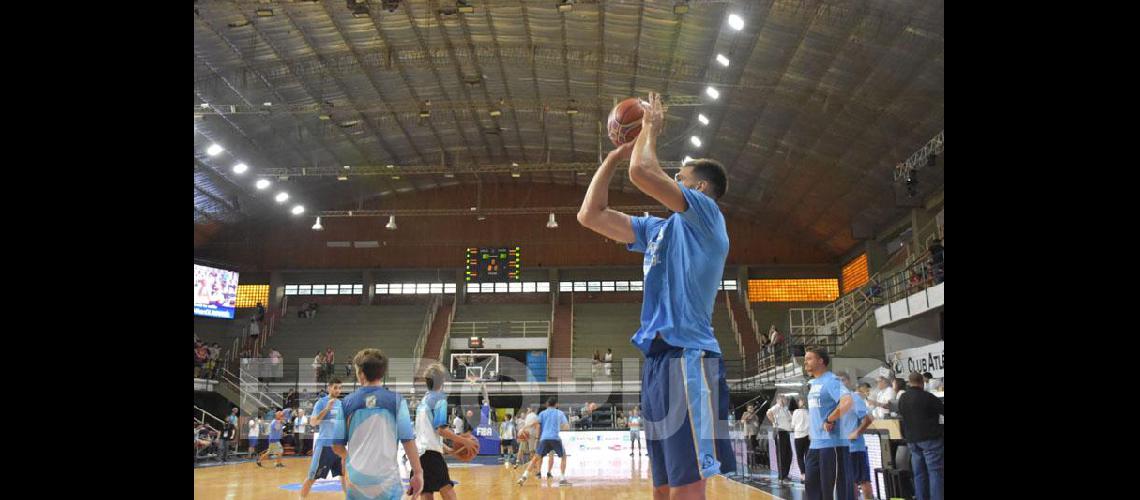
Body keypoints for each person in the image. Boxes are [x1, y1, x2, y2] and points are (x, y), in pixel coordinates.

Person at [576, 91, 735, 499]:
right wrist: (613, 158)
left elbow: (644, 173)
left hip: (689, 355)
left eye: (679, 177)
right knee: (662, 483)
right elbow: (589, 215)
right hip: (658, 362)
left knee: (688, 483)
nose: (671, 179)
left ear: (699, 188)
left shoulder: (705, 215)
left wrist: (649, 127)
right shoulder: (658, 230)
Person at [332, 348, 424, 500]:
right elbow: (408, 440)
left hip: (357, 481)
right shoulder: (397, 401)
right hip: (388, 480)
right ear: (382, 373)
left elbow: (336, 446)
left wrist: (349, 458)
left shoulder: (346, 403)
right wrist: (418, 472)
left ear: (361, 373)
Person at [416, 362, 475, 500]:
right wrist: (464, 441)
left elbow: (427, 434)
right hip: (430, 453)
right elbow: (441, 430)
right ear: (442, 381)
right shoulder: (440, 399)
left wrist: (448, 449)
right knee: (447, 489)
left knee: (426, 491)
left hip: (420, 453)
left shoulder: (423, 401)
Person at [803, 348, 854, 500]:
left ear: (821, 361)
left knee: (830, 492)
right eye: (805, 359)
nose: (805, 362)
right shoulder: (813, 383)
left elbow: (847, 401)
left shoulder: (831, 380)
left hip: (831, 445)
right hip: (815, 445)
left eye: (809, 358)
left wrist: (830, 419)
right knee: (811, 488)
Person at [898, 372, 944, 500]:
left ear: (909, 382)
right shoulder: (928, 397)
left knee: (919, 473)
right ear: (922, 382)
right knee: (935, 472)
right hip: (930, 439)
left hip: (912, 441)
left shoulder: (903, 398)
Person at [301, 378, 346, 497]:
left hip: (338, 446)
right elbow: (313, 422)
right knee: (312, 477)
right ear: (329, 388)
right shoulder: (321, 402)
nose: (338, 390)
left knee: (345, 476)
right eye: (335, 387)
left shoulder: (341, 404)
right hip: (325, 446)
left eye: (340, 388)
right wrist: (326, 409)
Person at [517, 396, 571, 487]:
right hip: (555, 438)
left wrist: (523, 428)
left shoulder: (542, 413)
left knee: (535, 458)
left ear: (547, 405)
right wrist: (558, 427)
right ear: (556, 404)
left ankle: (523, 476)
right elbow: (567, 427)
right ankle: (562, 479)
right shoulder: (560, 413)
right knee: (564, 457)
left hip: (544, 438)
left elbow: (535, 423)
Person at [842, 377, 875, 500]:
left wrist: (856, 432)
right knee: (850, 481)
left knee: (862, 480)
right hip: (843, 448)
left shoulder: (854, 398)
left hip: (855, 448)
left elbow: (869, 418)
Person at [766, 396, 793, 484]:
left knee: (789, 454)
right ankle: (782, 476)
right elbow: (768, 413)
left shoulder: (785, 408)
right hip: (779, 432)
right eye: (784, 399)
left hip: (786, 432)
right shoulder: (776, 407)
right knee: (782, 454)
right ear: (779, 399)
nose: (785, 400)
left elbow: (790, 418)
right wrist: (774, 422)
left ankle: (786, 474)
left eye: (785, 399)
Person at [789, 397, 810, 484]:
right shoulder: (807, 412)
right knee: (807, 456)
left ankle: (803, 475)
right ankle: (809, 475)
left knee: (800, 457)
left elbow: (792, 426)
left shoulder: (795, 413)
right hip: (807, 437)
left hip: (798, 437)